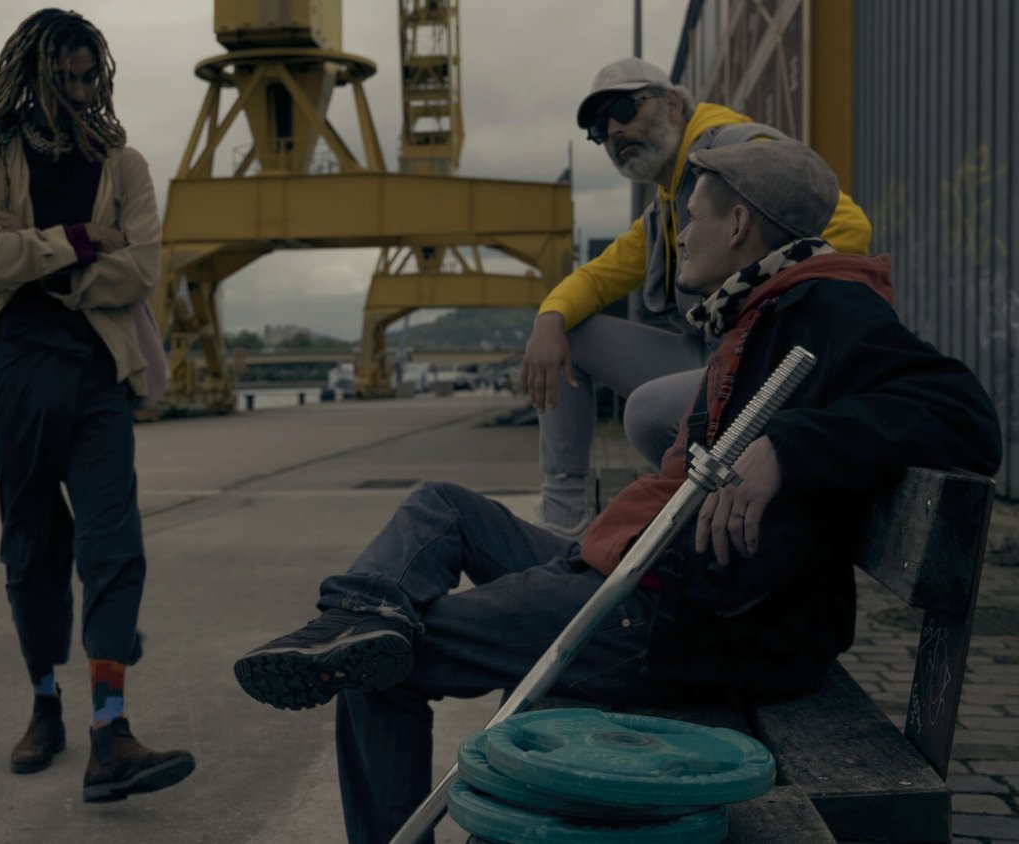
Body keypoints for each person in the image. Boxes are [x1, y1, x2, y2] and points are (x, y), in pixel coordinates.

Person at [233, 139, 1000, 844]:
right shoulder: (766, 305)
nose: (680, 233)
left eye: (691, 216)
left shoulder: (831, 307)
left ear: (739, 224)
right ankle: (363, 609)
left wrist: (791, 447)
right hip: (632, 565)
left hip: (671, 611)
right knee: (439, 510)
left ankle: (362, 644)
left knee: (377, 670)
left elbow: (965, 415)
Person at [0, 8, 193, 803]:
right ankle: (44, 705)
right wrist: (87, 240)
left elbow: (144, 268)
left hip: (96, 375)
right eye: (69, 78)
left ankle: (110, 732)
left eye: (93, 77)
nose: (85, 92)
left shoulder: (125, 164)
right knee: (32, 548)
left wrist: (42, 260)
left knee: (114, 545)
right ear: (33, 75)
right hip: (15, 374)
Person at [522, 57, 874, 538]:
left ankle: (695, 526)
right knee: (572, 332)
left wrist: (761, 309)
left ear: (671, 102)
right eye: (599, 128)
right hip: (713, 356)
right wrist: (548, 319)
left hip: (768, 358)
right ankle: (563, 524)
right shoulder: (669, 203)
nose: (614, 131)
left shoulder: (735, 151)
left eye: (623, 109)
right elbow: (599, 277)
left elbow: (849, 227)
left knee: (646, 411)